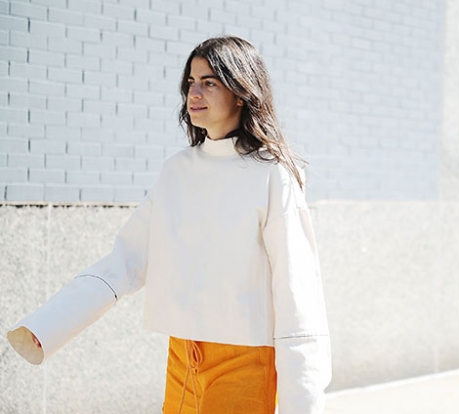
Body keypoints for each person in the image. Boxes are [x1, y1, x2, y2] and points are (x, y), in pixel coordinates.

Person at [7, 36, 332, 414]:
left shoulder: (273, 174)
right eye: (191, 82)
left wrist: (301, 402)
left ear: (241, 93)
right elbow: (125, 261)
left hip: (244, 362)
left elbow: (297, 292)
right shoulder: (176, 170)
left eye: (209, 82)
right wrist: (48, 325)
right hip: (182, 357)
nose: (195, 92)